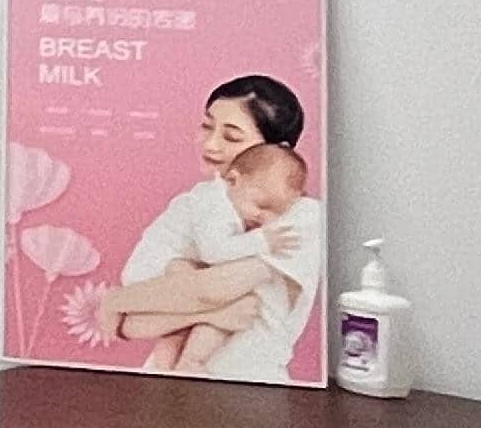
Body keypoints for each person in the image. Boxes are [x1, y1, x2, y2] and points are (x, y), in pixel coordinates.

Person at [75, 74, 320, 379]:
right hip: (166, 384)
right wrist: (213, 312)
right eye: (207, 126)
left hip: (247, 383)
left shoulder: (303, 217)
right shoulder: (199, 202)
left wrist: (123, 300)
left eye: (231, 137)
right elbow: (129, 324)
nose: (210, 144)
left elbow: (214, 289)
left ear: (279, 151)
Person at [98, 143, 320, 375]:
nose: (262, 217)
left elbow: (128, 326)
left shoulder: (299, 214)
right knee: (201, 302)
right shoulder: (213, 204)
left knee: (184, 322)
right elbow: (214, 253)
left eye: (276, 212)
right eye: (260, 205)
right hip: (155, 266)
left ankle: (178, 365)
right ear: (233, 180)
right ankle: (183, 363)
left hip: (174, 277)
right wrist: (260, 241)